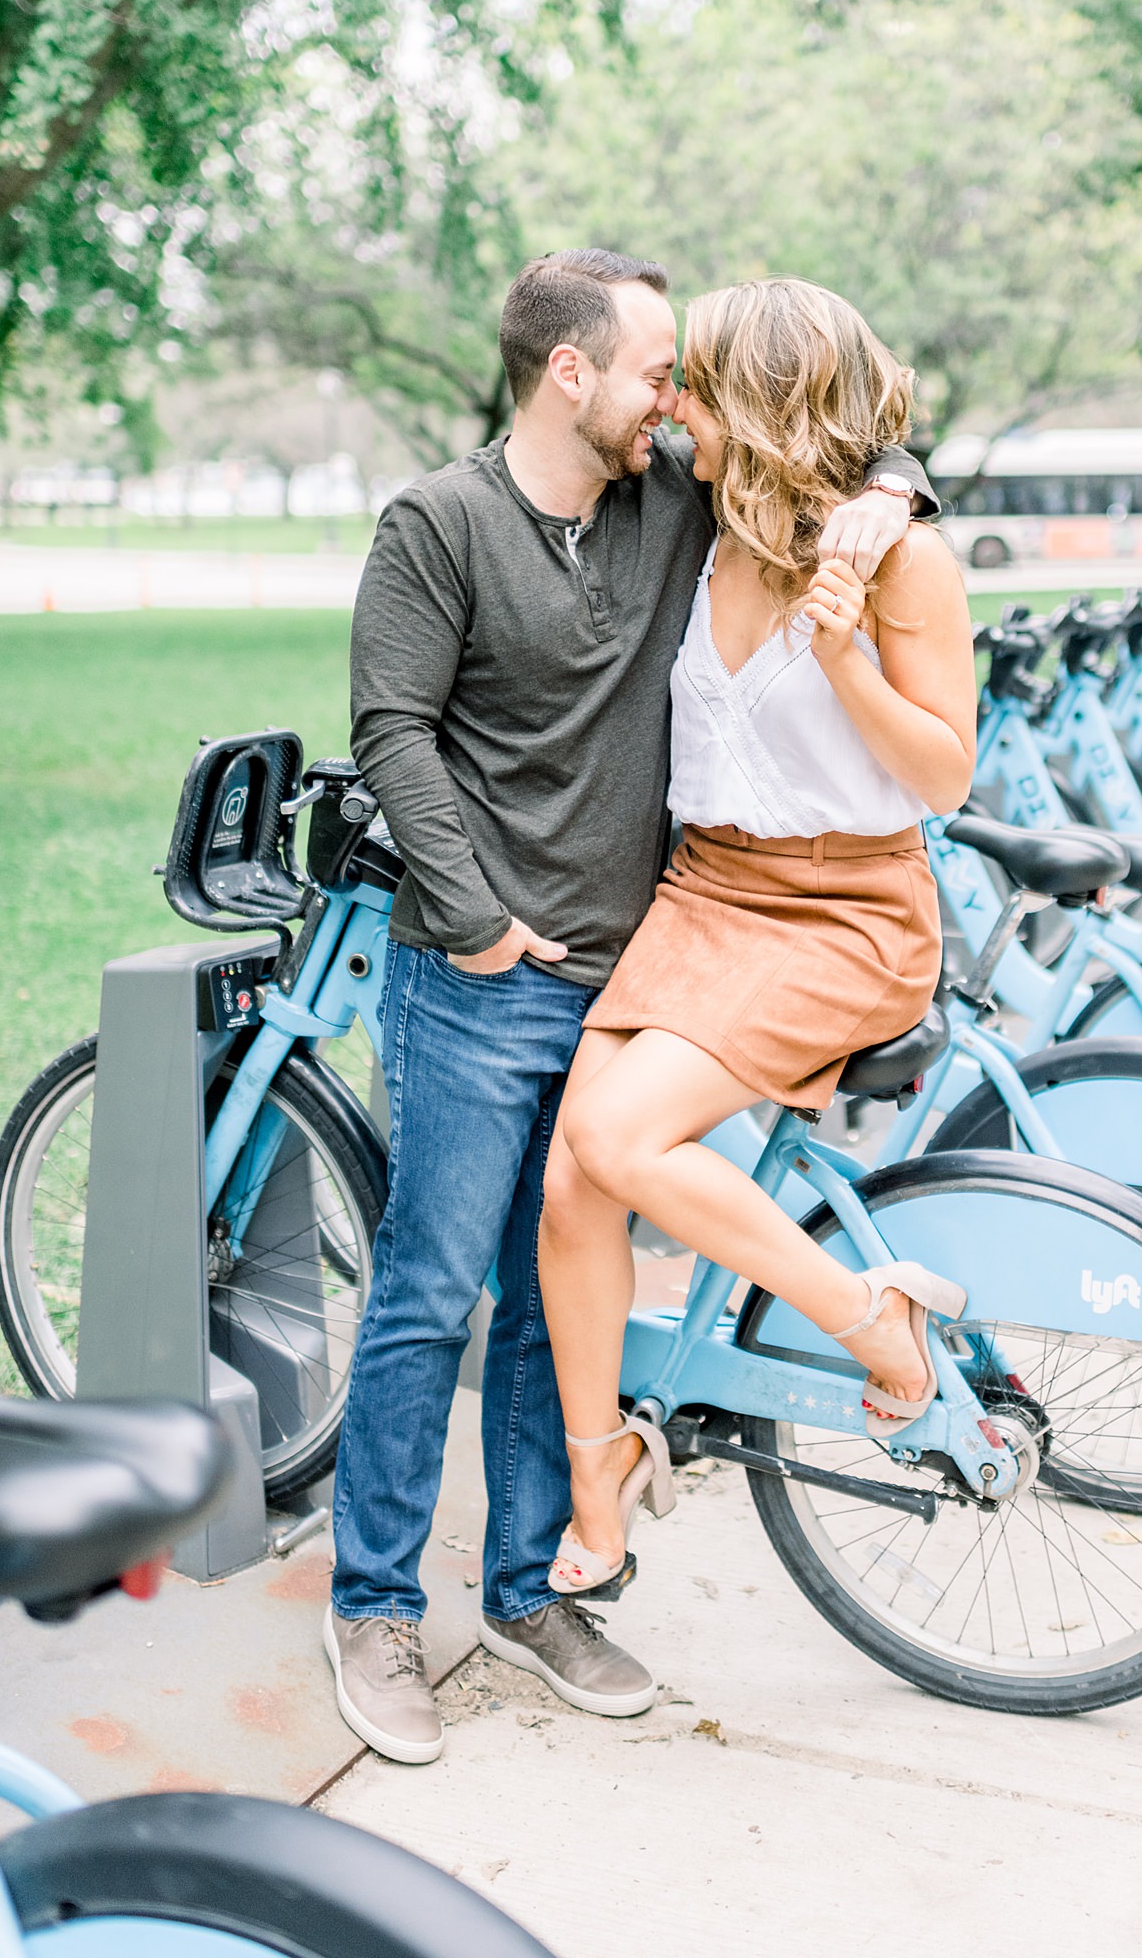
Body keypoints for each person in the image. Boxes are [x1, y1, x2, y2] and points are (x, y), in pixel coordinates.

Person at [324, 250, 934, 1762]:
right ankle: (379, 1611)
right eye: (654, 372)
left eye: (683, 377)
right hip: (477, 979)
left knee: (557, 1292)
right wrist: (475, 924)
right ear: (568, 372)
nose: (675, 397)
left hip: (651, 962)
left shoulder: (678, 501)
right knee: (429, 1293)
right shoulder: (439, 524)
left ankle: (533, 1592)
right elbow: (391, 728)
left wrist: (897, 491)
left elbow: (840, 442)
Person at [536, 278, 978, 1597]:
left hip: (846, 912)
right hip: (706, 893)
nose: (672, 408)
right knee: (574, 1183)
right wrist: (896, 477)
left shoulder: (898, 556)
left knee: (620, 1138)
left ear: (762, 402)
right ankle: (597, 1465)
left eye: (696, 387)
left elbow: (946, 775)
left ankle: (872, 1321)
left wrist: (847, 657)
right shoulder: (700, 515)